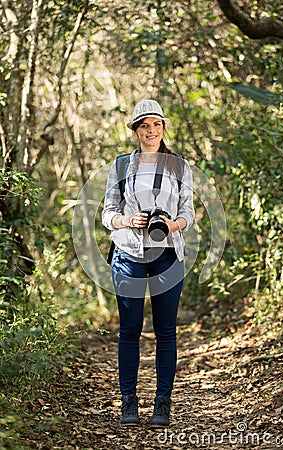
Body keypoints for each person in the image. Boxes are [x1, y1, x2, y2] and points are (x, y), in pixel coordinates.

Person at [102, 99, 195, 427]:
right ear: (136, 131)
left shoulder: (179, 165)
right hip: (129, 253)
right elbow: (107, 213)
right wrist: (129, 221)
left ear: (163, 128)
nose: (151, 131)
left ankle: (162, 403)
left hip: (168, 254)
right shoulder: (122, 165)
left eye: (156, 124)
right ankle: (128, 402)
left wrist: (172, 225)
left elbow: (189, 213)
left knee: (166, 332)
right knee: (129, 330)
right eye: (144, 126)